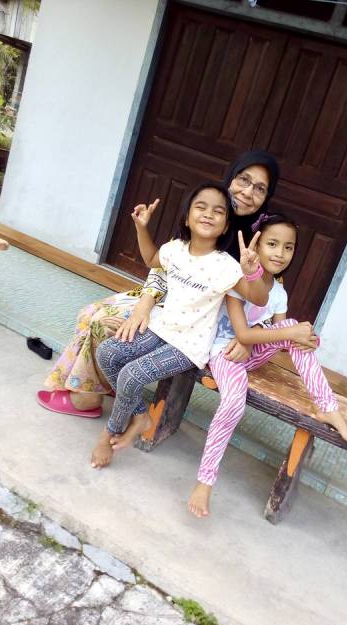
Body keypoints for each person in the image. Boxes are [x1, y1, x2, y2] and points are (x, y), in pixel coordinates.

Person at [37, 150, 280, 417]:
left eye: (260, 188)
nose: (248, 192)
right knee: (91, 312)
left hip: (202, 324)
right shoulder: (205, 212)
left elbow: (272, 297)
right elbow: (162, 266)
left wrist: (247, 338)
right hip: (165, 299)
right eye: (243, 180)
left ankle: (86, 398)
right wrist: (143, 305)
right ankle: (101, 386)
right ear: (231, 178)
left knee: (103, 322)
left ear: (266, 197)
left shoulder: (266, 237)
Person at [187, 213, 347, 518]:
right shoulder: (239, 282)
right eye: (272, 244)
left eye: (288, 247)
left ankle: (328, 407)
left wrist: (304, 339)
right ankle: (205, 481)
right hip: (224, 353)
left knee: (294, 328)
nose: (280, 253)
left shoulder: (280, 293)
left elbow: (282, 337)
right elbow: (242, 334)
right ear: (256, 246)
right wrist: (288, 333)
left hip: (253, 354)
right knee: (233, 402)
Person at [90, 182, 269, 469]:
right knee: (108, 353)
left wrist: (252, 273)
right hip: (161, 327)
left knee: (131, 375)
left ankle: (109, 433)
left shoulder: (227, 266)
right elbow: (151, 259)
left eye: (218, 211)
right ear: (187, 218)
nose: (208, 214)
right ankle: (141, 415)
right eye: (201, 207)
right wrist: (141, 228)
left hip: (188, 346)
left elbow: (259, 298)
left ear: (226, 225)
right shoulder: (175, 249)